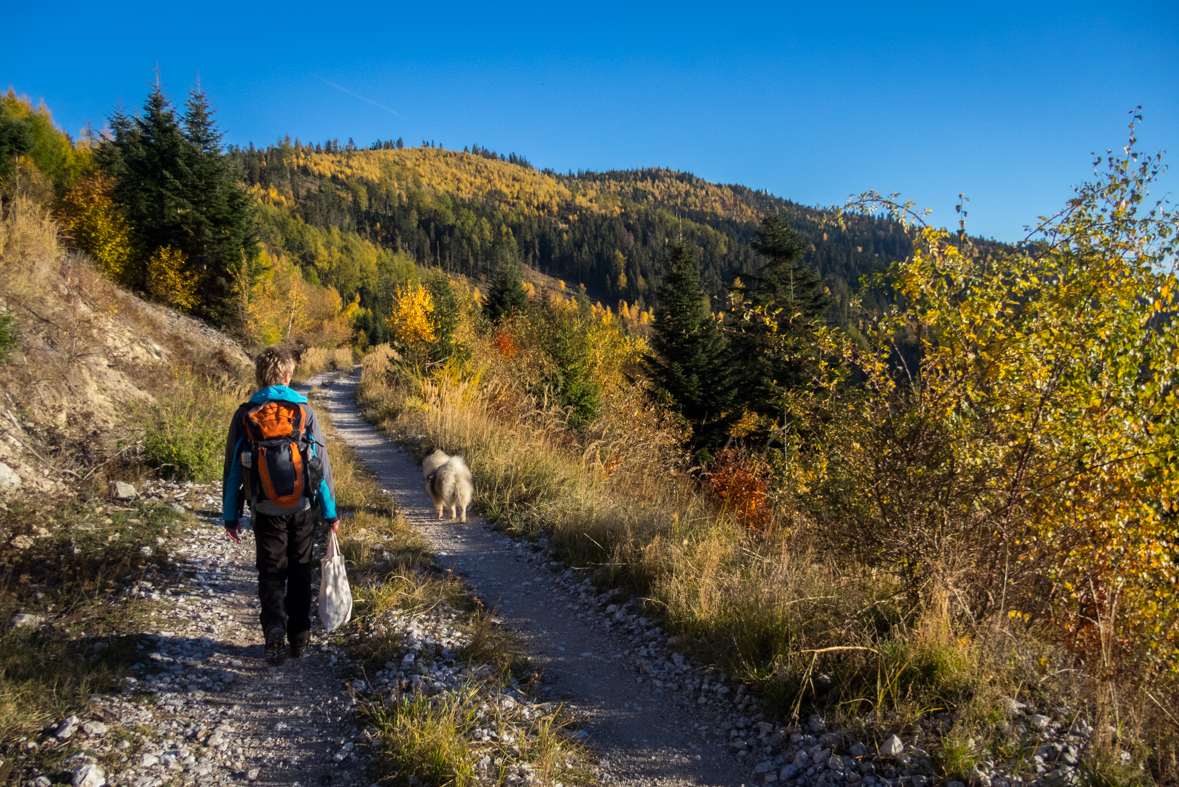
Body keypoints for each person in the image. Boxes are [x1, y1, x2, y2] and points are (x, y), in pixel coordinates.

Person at [222, 346, 339, 664]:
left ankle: (274, 626)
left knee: (271, 572)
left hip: (265, 509)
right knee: (300, 570)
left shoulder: (246, 414)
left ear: (259, 376)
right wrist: (330, 513)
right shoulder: (304, 413)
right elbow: (321, 467)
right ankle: (299, 639)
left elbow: (233, 469)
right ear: (287, 376)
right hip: (302, 507)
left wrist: (231, 516)